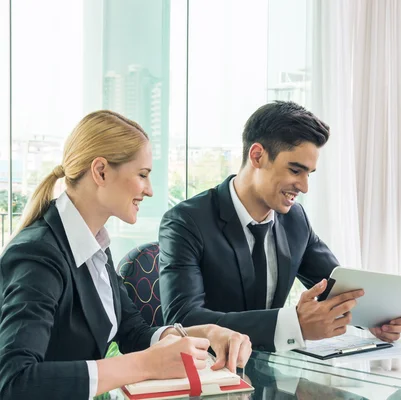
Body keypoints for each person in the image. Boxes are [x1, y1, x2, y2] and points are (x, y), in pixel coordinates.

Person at [0, 110, 252, 400]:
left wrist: (205, 333)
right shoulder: (39, 255)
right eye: (142, 175)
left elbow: (133, 333)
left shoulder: (91, 243)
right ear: (101, 171)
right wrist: (143, 365)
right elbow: (15, 382)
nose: (150, 190)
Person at [159, 101, 401, 352]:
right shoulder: (185, 222)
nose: (304, 187)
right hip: (210, 373)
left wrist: (375, 319)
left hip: (272, 372)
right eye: (295, 170)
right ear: (257, 156)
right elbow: (183, 320)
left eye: (309, 174)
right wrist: (293, 324)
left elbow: (338, 287)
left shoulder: (295, 219)